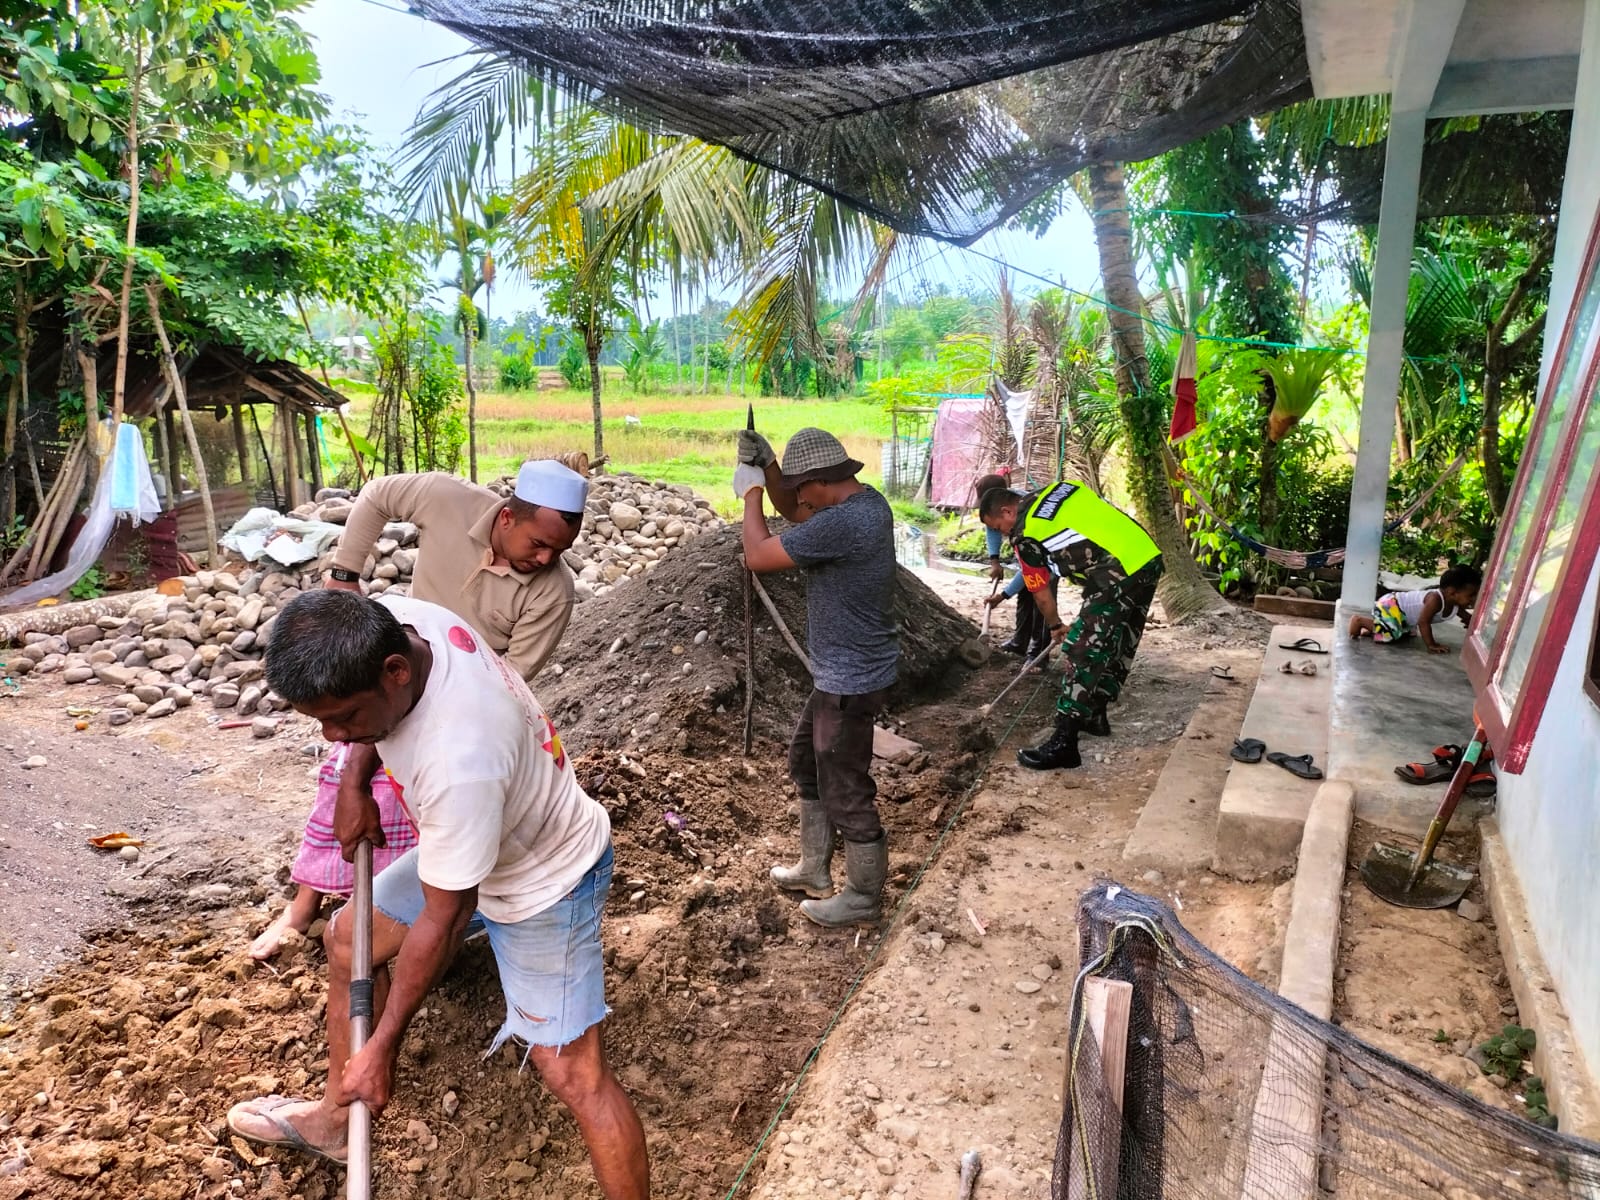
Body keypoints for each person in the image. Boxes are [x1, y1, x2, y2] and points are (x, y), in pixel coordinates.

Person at [228, 590, 649, 1199]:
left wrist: (382, 1047)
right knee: (348, 939)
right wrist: (354, 784)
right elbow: (373, 729)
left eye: (344, 717)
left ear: (394, 672)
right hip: (470, 846)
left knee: (572, 1072)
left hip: (544, 879)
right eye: (320, 721)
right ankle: (337, 1125)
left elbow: (447, 917)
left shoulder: (461, 757)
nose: (333, 734)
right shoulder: (399, 623)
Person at [250, 460, 588, 960]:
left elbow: (510, 679)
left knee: (435, 811)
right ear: (507, 517)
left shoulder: (553, 592)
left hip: (457, 705)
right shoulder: (446, 499)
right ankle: (307, 904)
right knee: (341, 778)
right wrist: (344, 575)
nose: (545, 559)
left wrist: (442, 718)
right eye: (538, 544)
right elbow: (376, 496)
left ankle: (414, 920)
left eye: (558, 551)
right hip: (396, 673)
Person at [735, 426, 898, 927]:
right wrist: (770, 467)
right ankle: (814, 869)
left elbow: (758, 556)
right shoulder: (864, 504)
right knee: (807, 762)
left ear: (823, 482)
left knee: (844, 785)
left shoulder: (844, 524)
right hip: (843, 675)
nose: (799, 499)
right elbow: (797, 513)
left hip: (850, 681)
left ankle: (863, 898)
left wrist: (752, 492)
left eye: (803, 488)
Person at [980, 482, 1164, 770]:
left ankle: (1064, 743)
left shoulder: (1026, 534)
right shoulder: (1059, 488)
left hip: (1116, 571)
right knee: (1118, 638)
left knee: (1081, 649)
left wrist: (1055, 626)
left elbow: (1041, 594)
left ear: (1007, 511)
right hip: (1146, 555)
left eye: (999, 527)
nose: (1004, 534)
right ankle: (1095, 714)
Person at [974, 470, 1055, 658]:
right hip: (1035, 559)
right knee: (1025, 596)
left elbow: (1029, 570)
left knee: (1042, 599)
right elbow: (992, 530)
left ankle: (1038, 653)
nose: (1001, 532)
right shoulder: (1003, 513)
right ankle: (1019, 643)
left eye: (999, 527)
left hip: (1052, 559)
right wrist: (995, 561)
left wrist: (1003, 595)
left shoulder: (1027, 519)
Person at [1349, 564, 1481, 653]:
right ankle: (1359, 621)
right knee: (1390, 636)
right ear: (1452, 592)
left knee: (1403, 635)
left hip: (1402, 615)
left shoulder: (1454, 604)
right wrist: (1431, 645)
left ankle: (1375, 628)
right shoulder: (1435, 600)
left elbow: (1467, 617)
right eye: (1471, 595)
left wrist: (1472, 625)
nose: (1473, 599)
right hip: (1390, 606)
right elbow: (1423, 622)